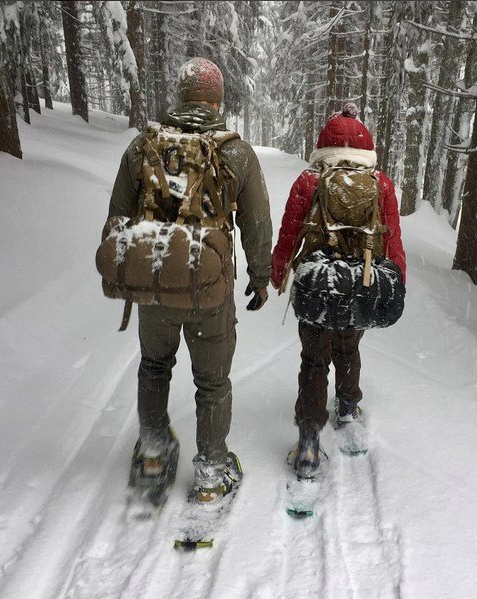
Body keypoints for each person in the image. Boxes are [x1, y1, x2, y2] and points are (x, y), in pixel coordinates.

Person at [106, 58, 272, 503]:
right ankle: (212, 473)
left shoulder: (142, 147)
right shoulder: (237, 152)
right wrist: (260, 277)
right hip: (210, 291)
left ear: (179, 98)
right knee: (212, 382)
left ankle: (155, 456)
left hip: (157, 283)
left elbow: (118, 219)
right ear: (217, 101)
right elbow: (257, 225)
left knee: (154, 367)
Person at [270, 103, 406, 478]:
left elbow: (289, 231)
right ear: (366, 145)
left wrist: (278, 269)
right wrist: (398, 281)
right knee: (348, 346)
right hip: (361, 282)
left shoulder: (309, 181)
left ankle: (310, 443)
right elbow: (392, 239)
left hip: (317, 283)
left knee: (313, 359)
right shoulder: (380, 183)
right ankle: (347, 410)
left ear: (324, 143)